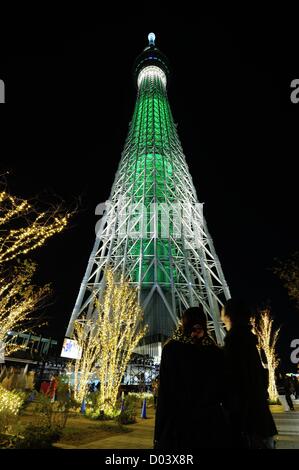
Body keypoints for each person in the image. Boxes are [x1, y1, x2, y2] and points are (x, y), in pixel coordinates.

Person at [154, 306, 231, 449]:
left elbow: (165, 394)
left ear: (183, 323)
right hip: (211, 423)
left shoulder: (171, 350)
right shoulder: (215, 352)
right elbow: (225, 391)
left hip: (180, 423)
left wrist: (159, 434)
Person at [221, 298, 277, 449]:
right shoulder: (248, 340)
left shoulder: (234, 342)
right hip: (260, 420)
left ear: (228, 315)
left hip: (247, 423)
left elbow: (234, 383)